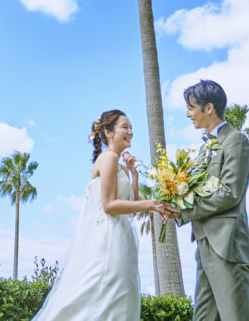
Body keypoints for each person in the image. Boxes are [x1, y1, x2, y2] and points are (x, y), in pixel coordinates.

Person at [32, 109, 171, 320]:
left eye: (131, 127)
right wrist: (151, 204)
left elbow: (132, 208)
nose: (130, 131)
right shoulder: (108, 158)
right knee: (105, 295)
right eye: (125, 127)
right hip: (108, 239)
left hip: (123, 239)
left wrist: (134, 175)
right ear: (108, 132)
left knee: (120, 298)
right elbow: (109, 205)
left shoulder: (122, 166)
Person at [161, 80, 249, 321]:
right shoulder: (206, 148)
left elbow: (230, 193)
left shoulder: (236, 141)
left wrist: (184, 212)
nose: (188, 113)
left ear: (209, 107)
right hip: (205, 244)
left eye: (191, 107)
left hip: (227, 246)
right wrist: (174, 204)